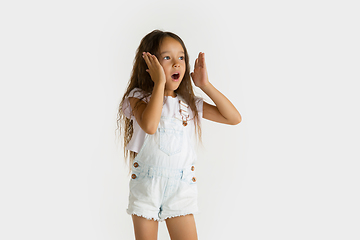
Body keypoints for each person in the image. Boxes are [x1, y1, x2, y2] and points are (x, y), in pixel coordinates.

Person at [116, 30, 241, 240]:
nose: (177, 63)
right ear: (150, 64)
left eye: (181, 57)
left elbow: (233, 118)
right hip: (148, 185)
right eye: (167, 57)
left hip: (181, 188)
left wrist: (205, 85)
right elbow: (150, 125)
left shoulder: (189, 104)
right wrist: (159, 85)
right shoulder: (137, 98)